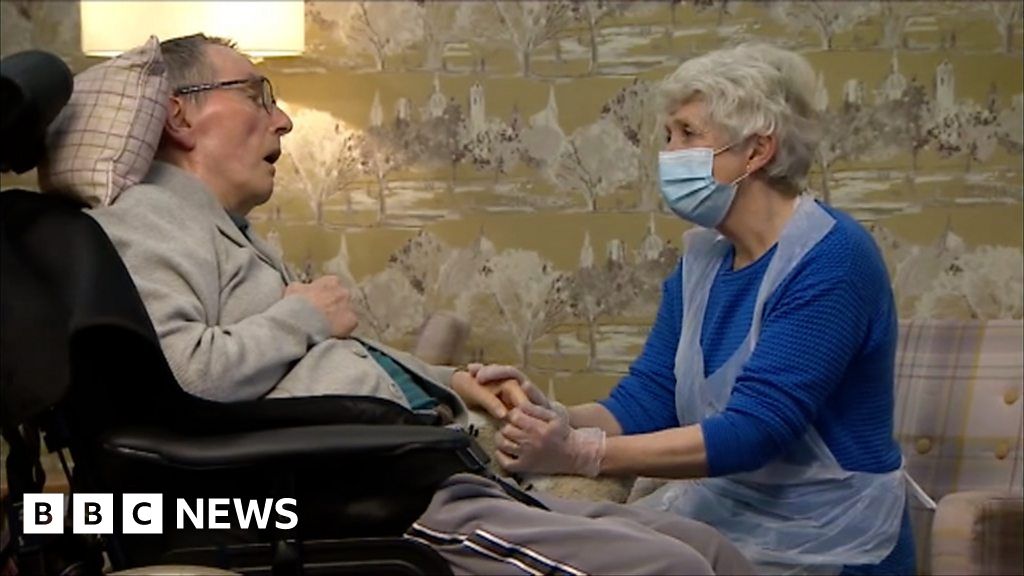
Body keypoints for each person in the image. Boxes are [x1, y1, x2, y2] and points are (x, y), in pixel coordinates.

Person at [89, 34, 754, 575]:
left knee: (711, 552)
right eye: (257, 94)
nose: (283, 117)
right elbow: (189, 375)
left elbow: (320, 364)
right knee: (671, 568)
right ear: (179, 115)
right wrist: (306, 314)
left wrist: (451, 382)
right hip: (367, 496)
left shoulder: (219, 228)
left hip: (419, 465)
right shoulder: (148, 218)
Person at [481, 42, 914, 575]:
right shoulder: (703, 261)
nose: (668, 152)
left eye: (688, 134)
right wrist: (549, 416)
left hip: (828, 542)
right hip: (733, 519)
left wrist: (579, 453)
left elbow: (756, 430)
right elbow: (650, 398)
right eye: (667, 135)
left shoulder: (834, 258)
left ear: (756, 152)